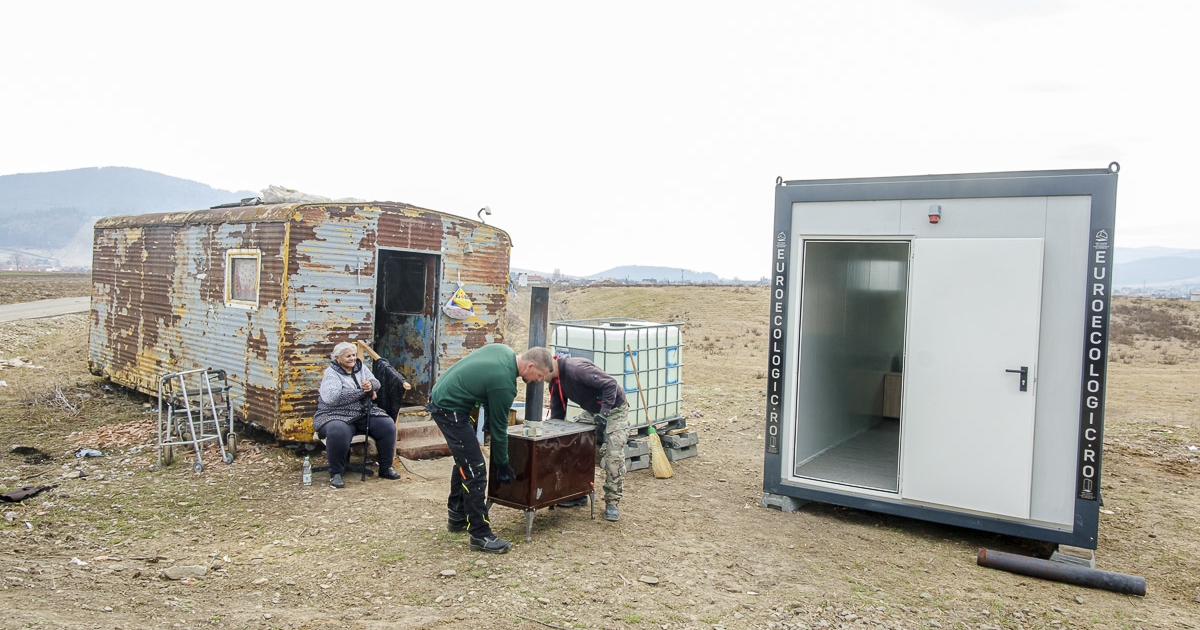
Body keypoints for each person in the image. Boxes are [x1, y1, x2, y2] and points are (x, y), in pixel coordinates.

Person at [427, 344, 554, 554]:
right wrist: (502, 463)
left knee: (465, 460)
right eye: (539, 375)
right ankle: (480, 534)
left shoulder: (504, 351)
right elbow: (499, 429)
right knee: (475, 468)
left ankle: (457, 515)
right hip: (449, 408)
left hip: (447, 397)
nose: (538, 381)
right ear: (530, 365)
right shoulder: (504, 384)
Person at [546, 353, 630, 522]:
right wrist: (554, 434)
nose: (540, 379)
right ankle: (578, 492)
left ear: (550, 367)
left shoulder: (576, 369)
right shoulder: (555, 383)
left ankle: (612, 502)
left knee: (613, 455)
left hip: (614, 409)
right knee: (572, 441)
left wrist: (604, 413)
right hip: (592, 411)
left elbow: (610, 384)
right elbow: (557, 412)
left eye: (541, 375)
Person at [313, 341, 405, 488]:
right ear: (338, 358)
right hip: (335, 414)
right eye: (348, 356)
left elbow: (376, 383)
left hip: (362, 412)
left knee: (387, 425)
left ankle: (386, 468)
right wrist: (363, 392)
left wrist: (371, 385)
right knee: (338, 431)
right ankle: (336, 473)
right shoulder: (331, 373)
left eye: (354, 355)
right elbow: (332, 397)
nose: (352, 358)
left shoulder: (361, 367)